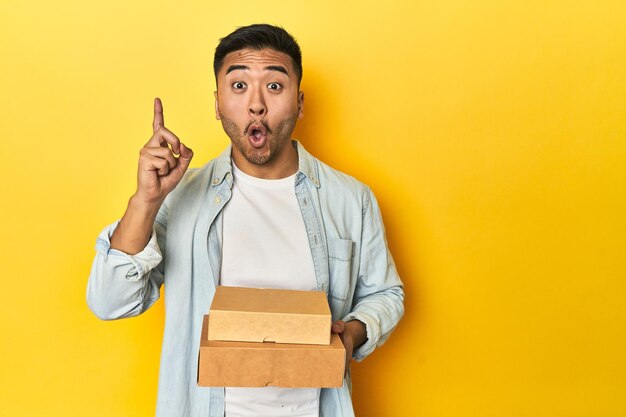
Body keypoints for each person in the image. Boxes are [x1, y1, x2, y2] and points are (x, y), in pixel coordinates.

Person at [87, 24, 404, 417]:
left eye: (274, 86)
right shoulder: (179, 197)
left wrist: (352, 334)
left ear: (300, 102)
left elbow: (386, 294)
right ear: (217, 104)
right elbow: (109, 301)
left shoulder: (351, 199)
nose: (256, 104)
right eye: (239, 86)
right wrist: (145, 201)